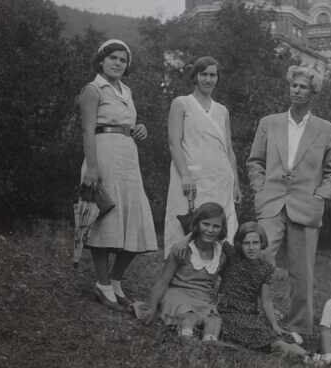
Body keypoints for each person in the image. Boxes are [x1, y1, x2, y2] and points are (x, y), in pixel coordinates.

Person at [247, 64, 331, 340]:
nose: (297, 90)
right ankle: (249, 315)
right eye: (294, 85)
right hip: (272, 203)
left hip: (306, 206)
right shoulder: (269, 123)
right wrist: (260, 189)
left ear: (313, 92)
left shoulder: (327, 129)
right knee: (259, 257)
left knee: (302, 273)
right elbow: (255, 161)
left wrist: (322, 194)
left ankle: (298, 328)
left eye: (303, 87)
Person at [79, 39, 157, 309]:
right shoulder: (93, 89)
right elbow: (88, 130)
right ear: (101, 60)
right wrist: (91, 166)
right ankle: (101, 284)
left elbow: (128, 124)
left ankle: (115, 281)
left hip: (128, 157)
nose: (117, 63)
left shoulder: (127, 91)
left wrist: (140, 129)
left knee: (135, 217)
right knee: (105, 217)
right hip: (104, 155)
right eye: (112, 58)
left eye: (123, 60)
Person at [163, 56, 240, 258]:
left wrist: (236, 183)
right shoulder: (181, 103)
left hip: (220, 179)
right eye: (203, 74)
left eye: (212, 75)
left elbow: (229, 149)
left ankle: (212, 281)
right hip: (191, 179)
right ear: (195, 77)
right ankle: (179, 282)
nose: (208, 79)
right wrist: (185, 175)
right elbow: (174, 143)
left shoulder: (222, 111)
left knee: (220, 232)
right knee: (187, 228)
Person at [217, 222, 308, 358]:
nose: (251, 248)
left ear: (262, 243)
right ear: (239, 244)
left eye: (255, 243)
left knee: (273, 333)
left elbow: (266, 301)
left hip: (250, 313)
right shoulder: (232, 256)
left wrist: (274, 324)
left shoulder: (265, 269)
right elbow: (215, 235)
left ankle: (312, 356)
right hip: (228, 312)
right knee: (263, 337)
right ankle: (308, 357)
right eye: (246, 243)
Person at [141, 202, 229, 341]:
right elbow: (163, 281)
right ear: (197, 224)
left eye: (216, 226)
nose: (210, 230)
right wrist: (152, 307)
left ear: (222, 229)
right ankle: (185, 339)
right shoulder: (182, 249)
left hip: (203, 298)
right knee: (189, 315)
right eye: (206, 224)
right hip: (178, 294)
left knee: (214, 321)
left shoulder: (221, 253)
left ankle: (210, 344)